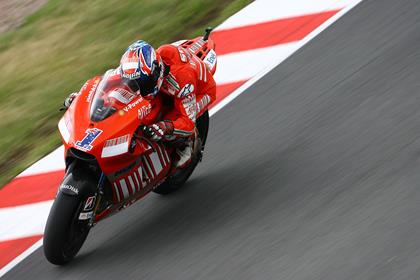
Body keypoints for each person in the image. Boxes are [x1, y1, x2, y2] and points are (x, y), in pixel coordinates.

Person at [65, 40, 216, 168]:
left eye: (143, 83)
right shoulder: (137, 68)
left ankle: (187, 145)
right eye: (134, 82)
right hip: (165, 86)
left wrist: (166, 127)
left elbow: (187, 122)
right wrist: (81, 98)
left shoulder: (182, 81)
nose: (137, 87)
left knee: (169, 121)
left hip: (200, 92)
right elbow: (107, 81)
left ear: (157, 73)